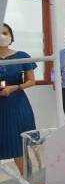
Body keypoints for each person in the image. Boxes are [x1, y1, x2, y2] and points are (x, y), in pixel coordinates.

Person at [0, 23, 37, 174]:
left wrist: (14, 87)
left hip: (17, 105)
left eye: (5, 32)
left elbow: (31, 81)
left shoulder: (22, 56)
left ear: (11, 36)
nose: (2, 36)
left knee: (19, 145)